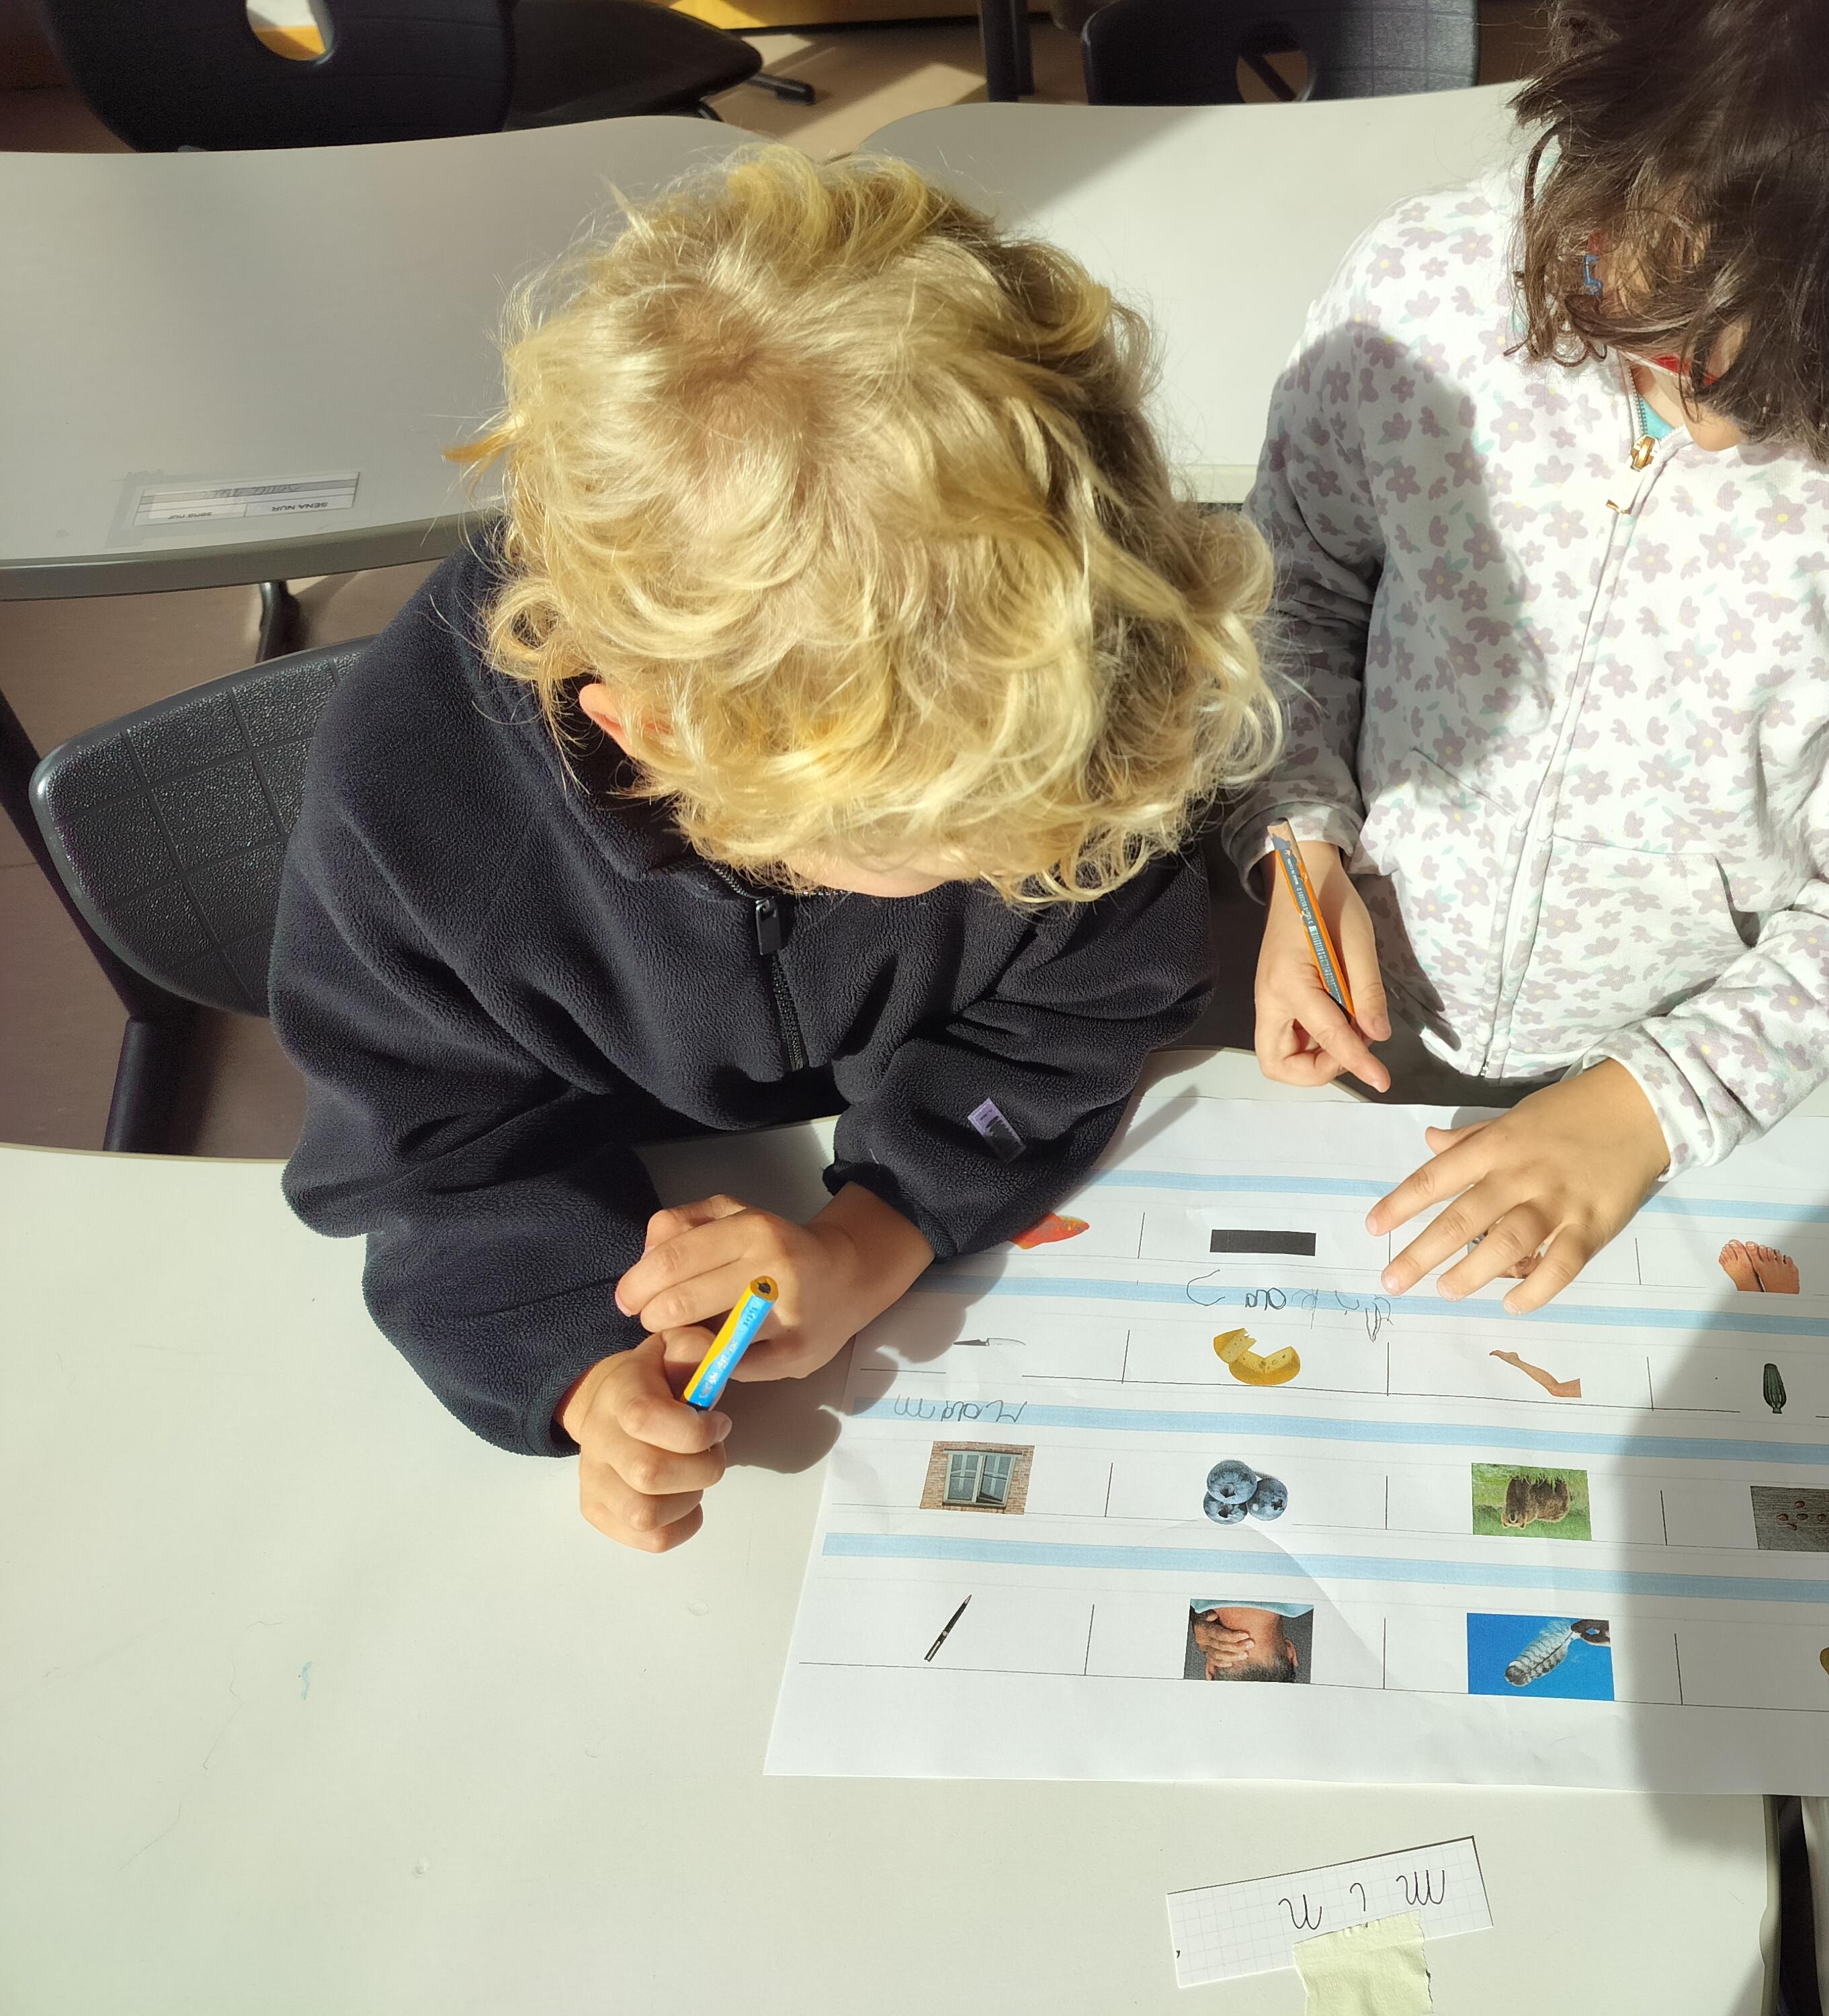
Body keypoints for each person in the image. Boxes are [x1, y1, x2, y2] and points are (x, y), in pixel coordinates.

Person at [273, 147, 1278, 1552]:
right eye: (944, 853)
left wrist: (879, 1233)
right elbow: (427, 1155)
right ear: (654, 740)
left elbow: (1092, 990)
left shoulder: (1054, 704)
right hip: (632, 1206)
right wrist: (581, 1372)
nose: (1025, 870)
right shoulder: (415, 815)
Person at [1240, 0, 1829, 1311]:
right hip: (1376, 977)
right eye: (1641, 339)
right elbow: (1290, 591)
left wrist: (1657, 1100)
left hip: (1709, 1054)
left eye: (1812, 402)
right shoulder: (1426, 291)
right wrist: (1298, 839)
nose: (1705, 433)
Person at [1190, 1603, 1308, 1681]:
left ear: (1291, 1652)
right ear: (1210, 1669)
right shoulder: (1184, 1583)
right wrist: (1196, 1609)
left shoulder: (1313, 1587)